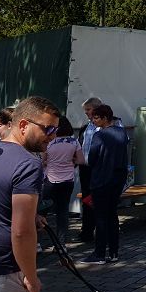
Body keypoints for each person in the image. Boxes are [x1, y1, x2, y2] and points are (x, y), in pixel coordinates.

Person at [0, 96, 59, 292]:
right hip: (3, 271)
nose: (52, 136)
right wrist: (31, 276)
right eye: (48, 128)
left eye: (56, 130)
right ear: (24, 125)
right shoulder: (28, 164)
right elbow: (21, 231)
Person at [82, 104, 129, 265]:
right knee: (112, 215)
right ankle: (114, 251)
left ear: (104, 118)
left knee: (101, 217)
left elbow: (92, 158)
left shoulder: (99, 135)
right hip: (118, 179)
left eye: (96, 117)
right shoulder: (122, 133)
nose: (93, 121)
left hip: (102, 179)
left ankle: (100, 253)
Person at [42, 116, 84, 243]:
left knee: (42, 210)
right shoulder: (74, 142)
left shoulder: (49, 142)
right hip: (67, 181)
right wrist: (71, 161)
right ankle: (61, 242)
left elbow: (43, 161)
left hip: (50, 180)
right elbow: (81, 160)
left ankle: (36, 242)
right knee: (63, 211)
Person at [77, 97, 103, 242]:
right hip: (85, 169)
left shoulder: (105, 127)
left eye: (88, 109)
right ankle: (86, 230)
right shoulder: (85, 127)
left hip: (98, 169)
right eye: (85, 110)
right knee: (87, 200)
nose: (86, 112)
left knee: (98, 200)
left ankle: (100, 231)